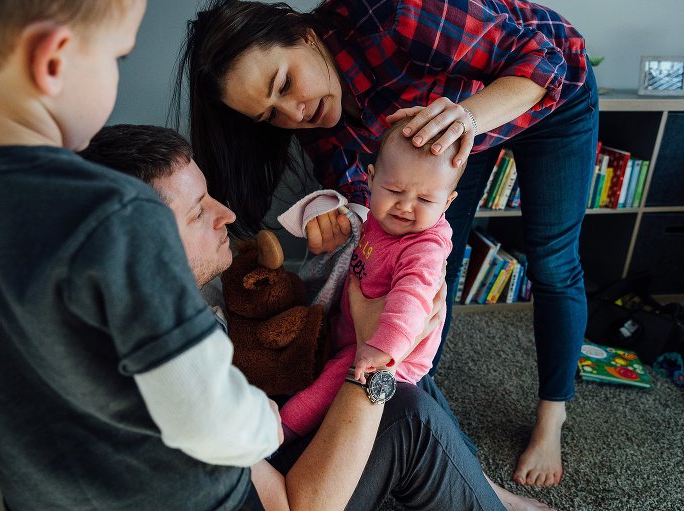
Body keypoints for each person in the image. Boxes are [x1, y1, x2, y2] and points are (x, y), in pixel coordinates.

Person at [179, 0, 600, 487]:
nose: (294, 113)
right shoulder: (320, 128)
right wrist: (333, 215)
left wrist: (466, 117)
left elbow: (544, 61)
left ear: (303, 33)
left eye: (285, 84)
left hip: (548, 91)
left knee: (552, 260)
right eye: (270, 115)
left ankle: (552, 415)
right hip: (449, 138)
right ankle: (411, 408)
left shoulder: (393, 12)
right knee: (431, 271)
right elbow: (373, 211)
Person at [0, 2, 284, 509]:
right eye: (118, 56)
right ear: (53, 62)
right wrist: (263, 423)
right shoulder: (118, 213)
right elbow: (206, 414)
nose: (115, 73)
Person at [80, 123, 555, 511]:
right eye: (198, 213)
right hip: (288, 494)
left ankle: (486, 491)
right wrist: (377, 368)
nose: (226, 214)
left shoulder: (129, 305)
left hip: (255, 445)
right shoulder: (167, 365)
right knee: (408, 411)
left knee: (415, 384)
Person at [278, 119, 462, 440]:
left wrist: (381, 350)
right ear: (372, 178)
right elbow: (345, 215)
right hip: (354, 327)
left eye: (425, 200)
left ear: (447, 203)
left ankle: (279, 432)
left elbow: (412, 298)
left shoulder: (425, 246)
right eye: (394, 190)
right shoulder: (379, 216)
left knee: (324, 390)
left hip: (388, 349)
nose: (405, 207)